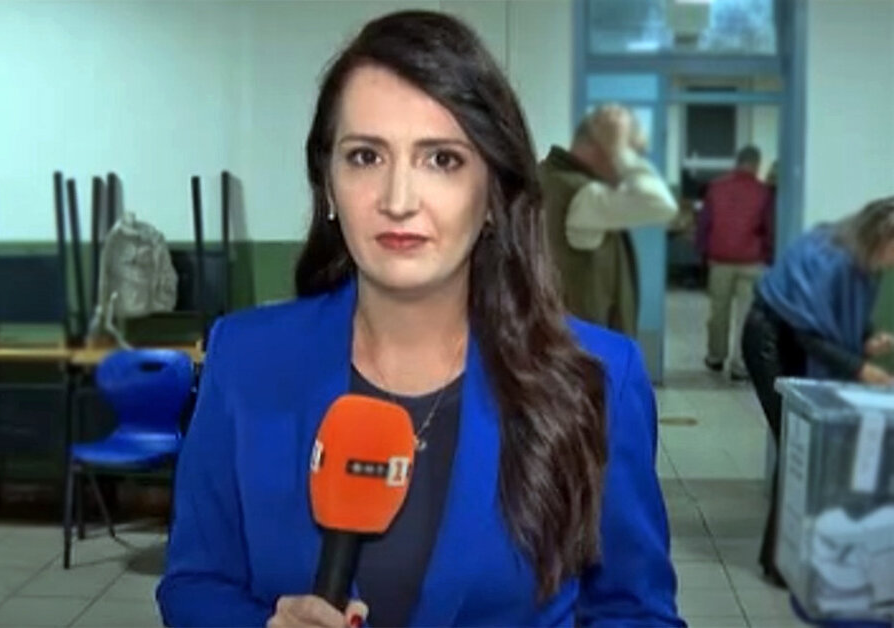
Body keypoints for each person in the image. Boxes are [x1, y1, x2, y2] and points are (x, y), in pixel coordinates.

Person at [157, 11, 682, 628]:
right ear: (328, 184)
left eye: (442, 160)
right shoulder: (245, 360)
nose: (399, 200)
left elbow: (635, 612)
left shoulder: (597, 378)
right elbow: (194, 585)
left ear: (493, 193)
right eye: (365, 156)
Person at [742, 196, 894, 586]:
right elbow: (809, 333)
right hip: (771, 341)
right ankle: (780, 562)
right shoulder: (833, 260)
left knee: (807, 443)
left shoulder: (859, 257)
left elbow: (838, 317)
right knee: (799, 440)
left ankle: (799, 556)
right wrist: (860, 367)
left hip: (794, 337)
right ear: (882, 237)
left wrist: (864, 341)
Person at [538, 105, 678, 337]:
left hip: (557, 335)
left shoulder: (549, 177)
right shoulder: (583, 194)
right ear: (597, 146)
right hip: (586, 345)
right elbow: (661, 204)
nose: (629, 165)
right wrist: (620, 151)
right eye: (631, 153)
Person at [697, 145, 774, 380]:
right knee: (745, 316)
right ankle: (740, 365)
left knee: (718, 312)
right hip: (752, 261)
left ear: (737, 162)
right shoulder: (764, 192)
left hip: (720, 260)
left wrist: (703, 255)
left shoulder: (716, 188)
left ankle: (715, 357)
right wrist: (769, 256)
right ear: (757, 164)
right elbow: (769, 228)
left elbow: (704, 225)